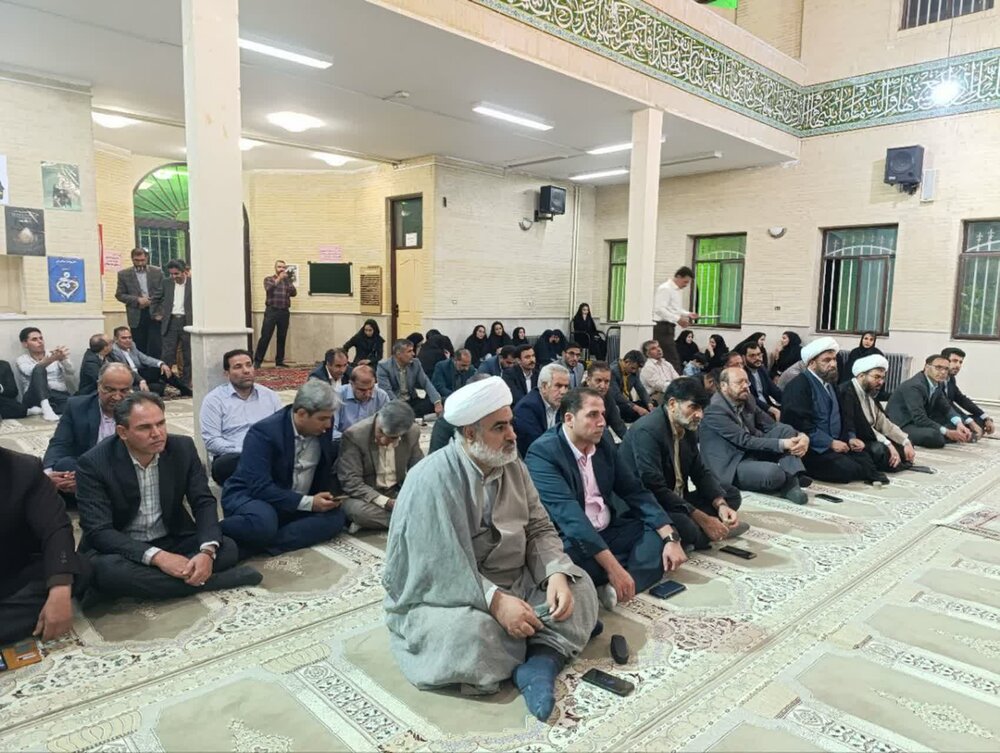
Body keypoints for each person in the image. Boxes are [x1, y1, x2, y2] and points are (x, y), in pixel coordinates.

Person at [382, 376, 599, 722]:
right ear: (470, 433)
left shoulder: (512, 464)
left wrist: (555, 571)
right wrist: (495, 602)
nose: (513, 435)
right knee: (469, 637)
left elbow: (539, 528)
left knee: (580, 586)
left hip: (516, 579)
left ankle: (538, 663)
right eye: (500, 427)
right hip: (454, 596)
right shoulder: (431, 479)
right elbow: (437, 566)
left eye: (510, 423)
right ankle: (547, 642)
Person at [75, 392, 261, 601]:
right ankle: (215, 581)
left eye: (161, 423)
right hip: (122, 547)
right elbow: (99, 531)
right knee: (106, 570)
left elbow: (202, 501)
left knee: (227, 547)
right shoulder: (94, 463)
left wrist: (206, 553)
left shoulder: (182, 448)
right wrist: (158, 557)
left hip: (171, 537)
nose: (157, 433)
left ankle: (158, 582)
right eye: (145, 427)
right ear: (122, 432)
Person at [526, 387, 687, 610]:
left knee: (661, 531)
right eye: (593, 415)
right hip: (571, 540)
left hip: (609, 529)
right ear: (569, 419)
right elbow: (572, 520)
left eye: (602, 414)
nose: (602, 422)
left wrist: (670, 538)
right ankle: (623, 572)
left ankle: (616, 586)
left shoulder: (603, 444)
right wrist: (613, 567)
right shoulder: (543, 453)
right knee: (567, 565)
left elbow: (634, 491)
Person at [221, 380, 346, 556]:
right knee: (263, 522)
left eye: (330, 418)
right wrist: (309, 503)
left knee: (336, 517)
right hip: (254, 497)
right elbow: (260, 487)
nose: (328, 425)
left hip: (293, 500)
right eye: (323, 419)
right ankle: (220, 532)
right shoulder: (263, 433)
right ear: (301, 413)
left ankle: (262, 544)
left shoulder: (322, 429)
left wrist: (322, 499)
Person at [619, 378, 746, 551]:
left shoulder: (687, 426)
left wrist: (720, 504)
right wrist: (702, 518)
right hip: (648, 505)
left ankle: (702, 533)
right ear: (672, 404)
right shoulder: (648, 431)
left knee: (730, 494)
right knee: (686, 525)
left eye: (701, 409)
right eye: (693, 407)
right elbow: (654, 487)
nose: (699, 415)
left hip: (677, 500)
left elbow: (699, 472)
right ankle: (703, 535)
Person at [0, 446, 90, 644]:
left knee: (78, 567)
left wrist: (60, 588)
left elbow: (56, 527)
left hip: (9, 572)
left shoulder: (23, 468)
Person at [700, 367, 811, 504]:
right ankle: (792, 478)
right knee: (774, 473)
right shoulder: (714, 409)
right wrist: (783, 444)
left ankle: (791, 482)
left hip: (751, 451)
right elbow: (745, 440)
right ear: (723, 386)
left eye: (746, 382)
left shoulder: (747, 398)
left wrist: (801, 435)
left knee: (786, 430)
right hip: (731, 463)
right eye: (739, 382)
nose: (745, 386)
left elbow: (771, 425)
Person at [781, 337, 885, 483]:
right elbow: (799, 424)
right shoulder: (799, 385)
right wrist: (830, 443)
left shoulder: (830, 384)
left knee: (868, 456)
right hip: (813, 448)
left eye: (834, 359)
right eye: (826, 360)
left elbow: (843, 416)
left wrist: (850, 437)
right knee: (847, 469)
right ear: (812, 363)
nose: (833, 364)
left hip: (837, 443)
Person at [42, 363, 134, 502]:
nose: (116, 397)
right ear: (98, 385)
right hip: (88, 469)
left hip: (122, 470)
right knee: (64, 466)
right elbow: (60, 443)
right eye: (109, 390)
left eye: (123, 391)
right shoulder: (77, 406)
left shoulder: (139, 409)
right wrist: (48, 475)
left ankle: (91, 493)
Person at [200, 349, 283, 486]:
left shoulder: (270, 396)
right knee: (225, 465)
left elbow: (282, 429)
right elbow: (212, 441)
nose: (246, 371)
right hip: (235, 457)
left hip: (266, 453)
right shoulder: (214, 400)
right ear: (227, 373)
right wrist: (246, 450)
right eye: (238, 367)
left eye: (249, 365)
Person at [337, 401, 423, 531]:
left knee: (434, 499)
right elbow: (351, 482)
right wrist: (386, 502)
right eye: (380, 432)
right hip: (364, 496)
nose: (383, 440)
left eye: (392, 438)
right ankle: (413, 518)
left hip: (396, 492)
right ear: (378, 419)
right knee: (360, 512)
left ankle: (402, 518)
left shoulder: (412, 432)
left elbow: (419, 471)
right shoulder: (355, 435)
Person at [839, 355, 916, 472]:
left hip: (871, 435)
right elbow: (862, 427)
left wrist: (905, 441)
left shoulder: (869, 392)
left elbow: (883, 423)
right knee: (881, 450)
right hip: (855, 439)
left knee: (905, 443)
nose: (881, 382)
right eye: (876, 377)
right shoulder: (846, 392)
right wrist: (888, 444)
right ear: (861, 375)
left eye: (882, 378)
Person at [886, 355, 973, 448]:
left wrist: (959, 424)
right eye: (938, 367)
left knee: (958, 425)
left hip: (918, 423)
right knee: (935, 437)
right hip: (902, 424)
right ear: (927, 367)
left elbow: (946, 408)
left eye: (946, 369)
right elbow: (919, 418)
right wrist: (947, 432)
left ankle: (951, 435)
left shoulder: (937, 383)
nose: (943, 372)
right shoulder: (914, 386)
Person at [108, 326, 191, 397]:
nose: (128, 340)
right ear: (116, 339)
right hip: (130, 377)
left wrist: (161, 364)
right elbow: (127, 370)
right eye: (124, 338)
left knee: (162, 370)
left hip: (140, 372)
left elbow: (145, 358)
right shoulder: (114, 351)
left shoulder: (132, 345)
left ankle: (185, 390)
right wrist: (141, 380)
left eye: (129, 337)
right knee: (157, 389)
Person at [16, 327, 76, 421]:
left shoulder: (55, 354)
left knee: (74, 408)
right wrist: (51, 359)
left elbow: (71, 371)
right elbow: (29, 371)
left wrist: (63, 359)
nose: (40, 341)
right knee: (39, 369)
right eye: (34, 339)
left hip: (58, 394)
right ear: (25, 344)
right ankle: (46, 407)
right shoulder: (22, 359)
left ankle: (44, 409)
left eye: (41, 338)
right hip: (34, 396)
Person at [115, 247, 164, 358]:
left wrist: (151, 301)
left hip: (155, 313)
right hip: (136, 314)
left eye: (142, 260)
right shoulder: (123, 274)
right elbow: (119, 295)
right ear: (132, 259)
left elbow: (163, 291)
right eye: (137, 260)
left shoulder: (157, 272)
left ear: (147, 258)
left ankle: (155, 368)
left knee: (156, 345)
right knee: (139, 345)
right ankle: (141, 368)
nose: (140, 263)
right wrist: (137, 300)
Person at [513, 363, 571, 457]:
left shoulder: (562, 405)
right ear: (544, 387)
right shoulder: (526, 408)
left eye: (566, 387)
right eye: (558, 386)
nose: (563, 392)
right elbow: (537, 447)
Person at [376, 339, 443, 420]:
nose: (413, 354)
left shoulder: (415, 363)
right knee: (394, 412)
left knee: (441, 401)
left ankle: (413, 416)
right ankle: (412, 417)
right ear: (399, 354)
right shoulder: (384, 366)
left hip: (411, 401)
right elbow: (387, 391)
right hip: (395, 403)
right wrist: (401, 408)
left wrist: (437, 402)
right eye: (409, 351)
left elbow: (426, 383)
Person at [253, 260, 297, 368]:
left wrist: (288, 281)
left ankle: (279, 361)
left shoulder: (287, 281)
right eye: (279, 267)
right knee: (265, 336)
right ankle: (257, 362)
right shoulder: (269, 279)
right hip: (272, 311)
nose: (282, 269)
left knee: (282, 337)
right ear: (275, 268)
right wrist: (279, 279)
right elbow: (269, 288)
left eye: (283, 267)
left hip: (284, 312)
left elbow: (294, 293)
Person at [653, 267, 698, 371]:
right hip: (661, 327)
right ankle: (677, 379)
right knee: (672, 359)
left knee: (666, 359)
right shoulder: (665, 288)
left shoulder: (676, 291)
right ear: (678, 277)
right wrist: (678, 319)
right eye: (685, 281)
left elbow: (674, 309)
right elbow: (659, 309)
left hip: (669, 327)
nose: (686, 285)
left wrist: (688, 314)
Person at [941, 347, 993, 435]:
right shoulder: (936, 379)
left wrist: (985, 417)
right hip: (935, 418)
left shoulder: (951, 379)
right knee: (965, 424)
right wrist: (969, 421)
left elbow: (961, 399)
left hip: (950, 416)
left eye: (960, 362)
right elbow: (946, 404)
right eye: (954, 361)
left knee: (981, 420)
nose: (958, 365)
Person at [160, 259, 192, 388]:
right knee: (167, 354)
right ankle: (164, 382)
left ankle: (185, 383)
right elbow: (156, 298)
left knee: (187, 354)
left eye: (176, 273)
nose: (174, 276)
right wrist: (156, 314)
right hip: (171, 321)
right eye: (171, 274)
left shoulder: (193, 284)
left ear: (184, 272)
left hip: (187, 322)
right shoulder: (166, 283)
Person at [334, 365, 391, 437]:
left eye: (371, 388)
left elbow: (388, 426)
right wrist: (351, 440)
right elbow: (332, 431)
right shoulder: (337, 396)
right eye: (362, 390)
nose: (367, 394)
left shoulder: (381, 396)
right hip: (343, 440)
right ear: (351, 384)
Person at [739, 340, 782, 420]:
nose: (757, 358)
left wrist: (788, 401)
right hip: (753, 412)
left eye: (759, 354)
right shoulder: (741, 373)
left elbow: (774, 390)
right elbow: (750, 398)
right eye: (752, 356)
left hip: (768, 407)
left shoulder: (761, 369)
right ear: (743, 358)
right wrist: (771, 409)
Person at [585, 361, 627, 440]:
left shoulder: (608, 397)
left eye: (607, 381)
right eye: (598, 380)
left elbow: (618, 425)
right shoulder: (576, 399)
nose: (603, 386)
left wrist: (631, 443)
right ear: (588, 380)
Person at [611, 350, 654, 422]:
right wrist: (636, 408)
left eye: (637, 369)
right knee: (635, 412)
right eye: (633, 368)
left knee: (652, 404)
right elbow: (616, 395)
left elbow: (641, 389)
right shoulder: (612, 371)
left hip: (628, 402)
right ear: (627, 361)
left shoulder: (635, 371)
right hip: (616, 403)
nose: (634, 371)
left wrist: (649, 403)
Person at [639, 339, 679, 406]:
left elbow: (677, 379)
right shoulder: (648, 367)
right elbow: (660, 386)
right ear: (647, 353)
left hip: (669, 393)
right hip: (655, 398)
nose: (658, 349)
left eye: (658, 346)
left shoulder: (667, 364)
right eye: (653, 348)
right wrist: (677, 385)